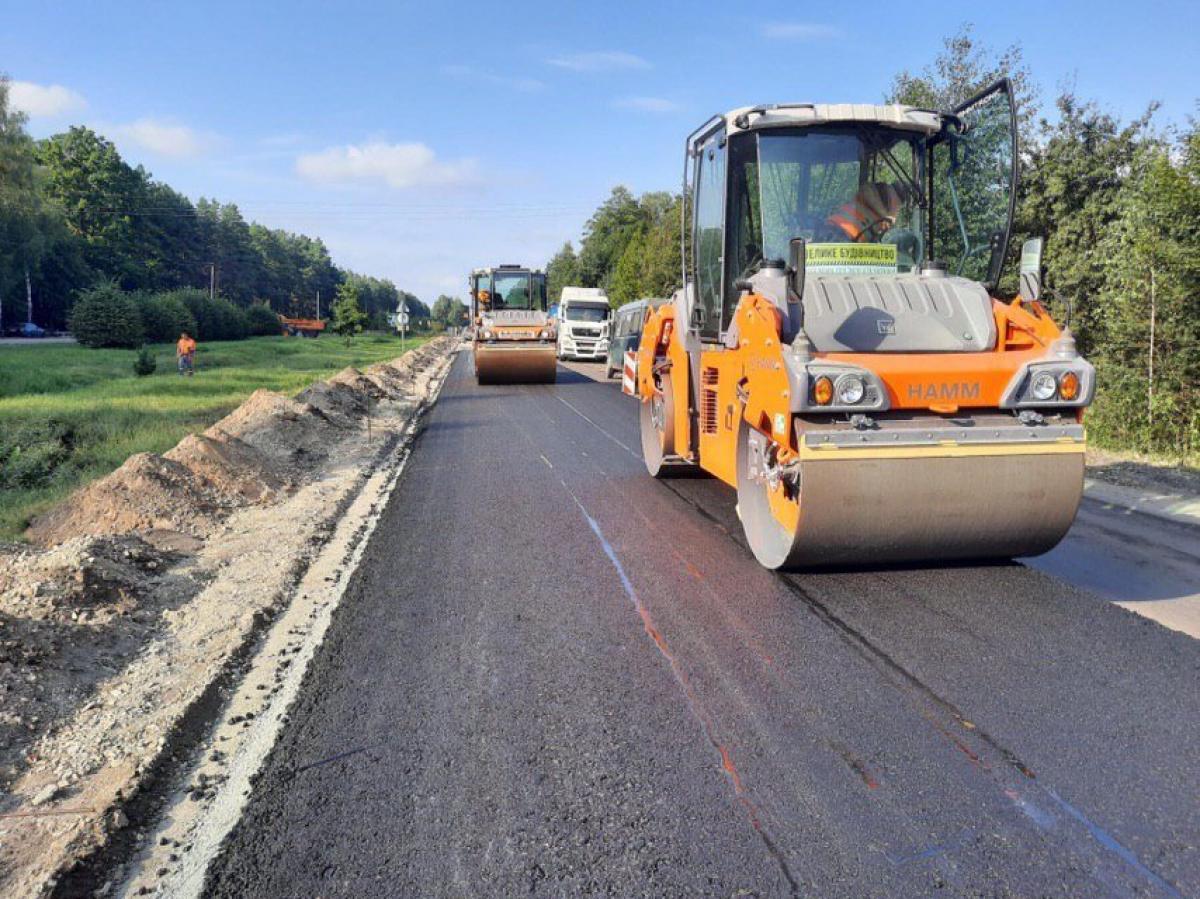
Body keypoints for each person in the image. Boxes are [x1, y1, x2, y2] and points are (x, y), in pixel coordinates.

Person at [827, 181, 906, 243]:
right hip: (834, 233)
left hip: (849, 247)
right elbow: (866, 190)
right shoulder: (872, 193)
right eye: (897, 205)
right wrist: (884, 215)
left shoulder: (882, 223)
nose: (896, 210)